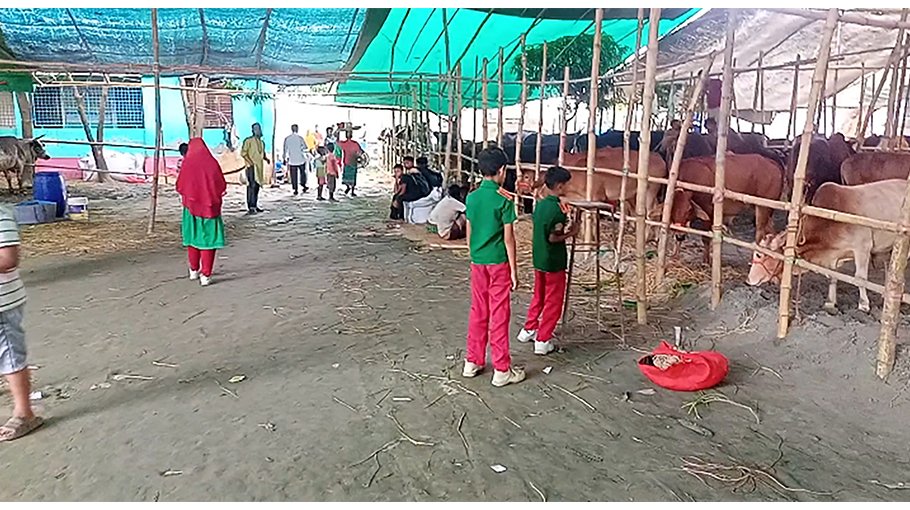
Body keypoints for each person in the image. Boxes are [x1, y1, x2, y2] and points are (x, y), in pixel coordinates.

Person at [462, 147, 525, 387]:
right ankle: (501, 369)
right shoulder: (504, 199)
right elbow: (509, 239)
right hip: (498, 263)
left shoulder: (472, 197)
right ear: (501, 170)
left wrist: (474, 253)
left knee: (478, 310)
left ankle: (472, 361)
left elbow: (470, 232)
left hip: (478, 262)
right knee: (499, 314)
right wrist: (514, 271)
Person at [517, 166, 578, 355]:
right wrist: (571, 233)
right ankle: (543, 340)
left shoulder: (541, 204)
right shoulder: (558, 210)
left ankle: (529, 329)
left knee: (539, 295)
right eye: (567, 184)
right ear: (560, 186)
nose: (569, 187)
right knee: (553, 300)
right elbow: (553, 237)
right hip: (553, 261)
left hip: (539, 258)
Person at [0, 205, 42, 442]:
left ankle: (25, 412)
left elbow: (8, 259)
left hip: (2, 304)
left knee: (10, 357)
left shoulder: (1, 215)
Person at [176, 138, 227, 287]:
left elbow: (180, 185)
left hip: (191, 210)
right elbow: (221, 184)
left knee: (193, 239)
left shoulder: (187, 164)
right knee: (208, 242)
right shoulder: (212, 164)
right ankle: (205, 274)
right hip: (210, 210)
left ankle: (193, 270)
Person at [241, 122, 269, 214]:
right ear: (253, 130)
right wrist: (250, 162)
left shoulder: (262, 142)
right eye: (256, 129)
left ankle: (255, 205)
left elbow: (262, 153)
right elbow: (243, 153)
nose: (258, 130)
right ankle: (250, 206)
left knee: (257, 186)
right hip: (251, 167)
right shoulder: (248, 141)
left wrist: (266, 159)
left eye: (259, 128)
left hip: (259, 167)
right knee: (251, 186)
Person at [283, 124, 309, 195]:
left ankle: (295, 189)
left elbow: (285, 149)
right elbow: (305, 147)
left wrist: (284, 158)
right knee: (302, 173)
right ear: (297, 129)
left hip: (292, 160)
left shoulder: (287, 138)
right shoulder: (300, 138)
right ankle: (303, 185)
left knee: (293, 175)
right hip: (300, 159)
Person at [337, 130, 364, 196]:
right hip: (353, 162)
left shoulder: (344, 143)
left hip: (347, 162)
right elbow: (361, 152)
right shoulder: (355, 144)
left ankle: (348, 187)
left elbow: (337, 142)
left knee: (346, 177)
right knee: (353, 177)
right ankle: (352, 191)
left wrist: (338, 131)